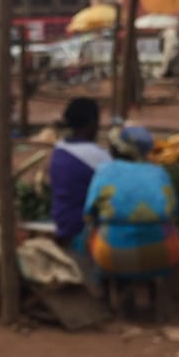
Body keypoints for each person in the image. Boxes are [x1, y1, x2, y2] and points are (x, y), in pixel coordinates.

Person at [83, 125, 179, 314]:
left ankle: (101, 290)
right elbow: (174, 213)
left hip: (112, 257)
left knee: (85, 236)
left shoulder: (105, 172)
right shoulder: (159, 172)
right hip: (164, 255)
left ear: (117, 149)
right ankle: (152, 290)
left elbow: (89, 212)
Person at [49, 98, 111, 252]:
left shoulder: (59, 149)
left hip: (61, 219)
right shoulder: (97, 156)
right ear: (92, 123)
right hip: (82, 226)